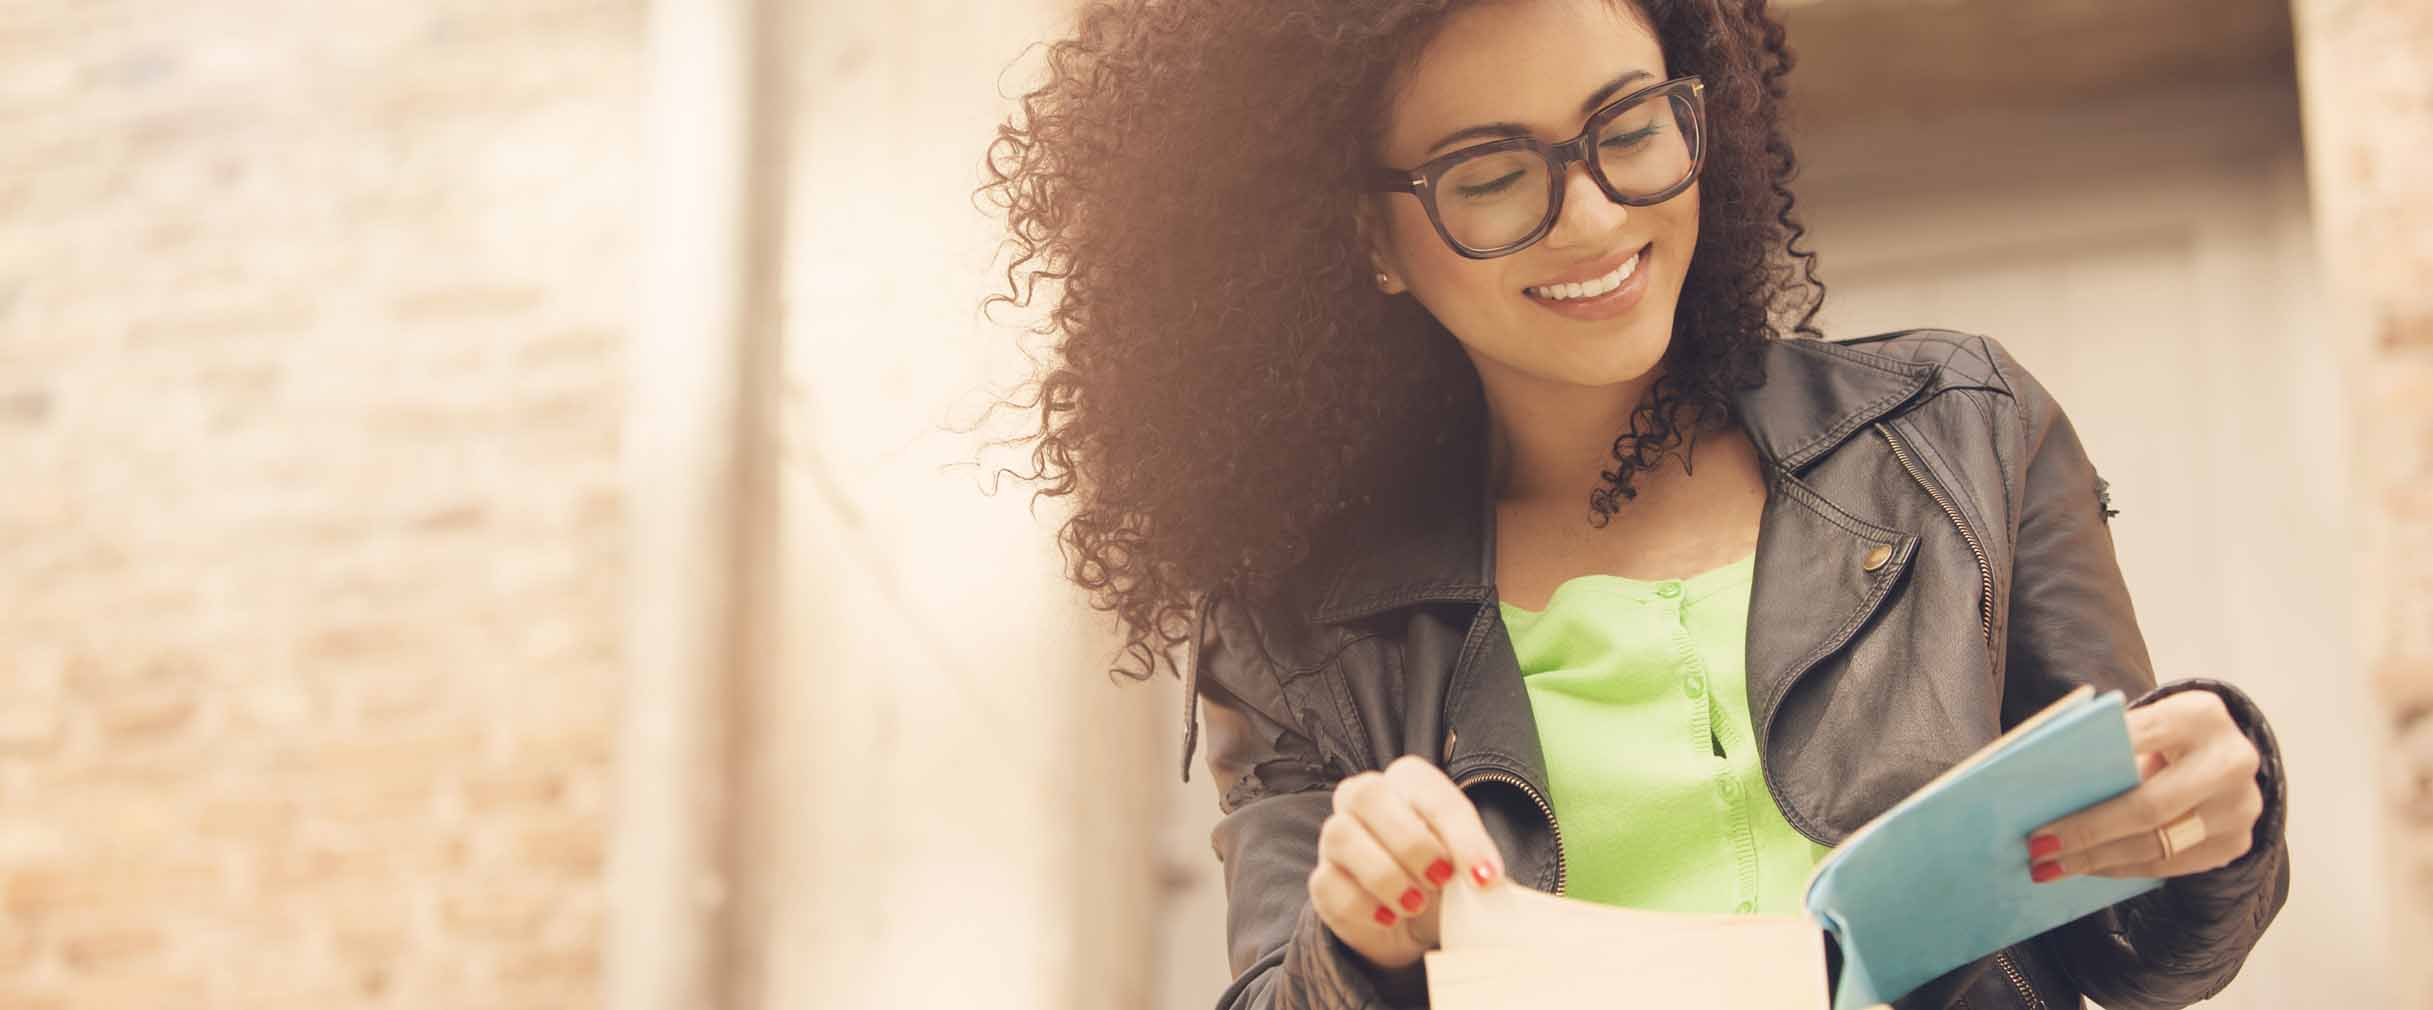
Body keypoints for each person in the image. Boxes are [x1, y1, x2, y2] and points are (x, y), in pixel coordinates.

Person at [977, 1, 2289, 1008]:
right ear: (1367, 240)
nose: (1595, 215)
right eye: (1491, 175)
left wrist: (2218, 807)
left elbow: (2137, 951)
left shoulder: (1963, 428)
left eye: (1629, 128)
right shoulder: (1299, 633)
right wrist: (1358, 938)